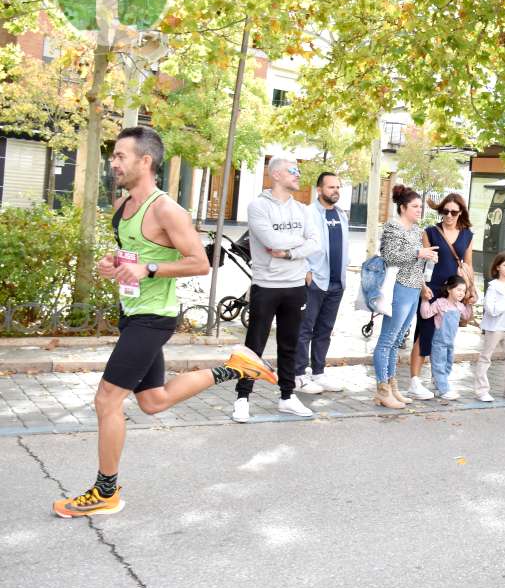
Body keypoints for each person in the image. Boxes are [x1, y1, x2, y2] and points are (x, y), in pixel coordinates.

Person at [54, 127, 277, 518]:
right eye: (114, 155)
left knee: (106, 400)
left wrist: (149, 269)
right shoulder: (124, 206)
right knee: (153, 402)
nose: (114, 161)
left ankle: (106, 492)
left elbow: (200, 262)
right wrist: (117, 264)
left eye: (122, 155)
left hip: (153, 318)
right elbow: (134, 255)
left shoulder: (165, 209)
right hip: (133, 313)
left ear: (146, 161)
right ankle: (235, 368)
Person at [233, 156, 320, 423]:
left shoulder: (304, 210)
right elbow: (270, 240)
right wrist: (300, 243)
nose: (298, 175)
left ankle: (286, 397)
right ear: (277, 175)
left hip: (295, 287)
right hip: (266, 285)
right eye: (293, 171)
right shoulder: (258, 206)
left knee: (289, 344)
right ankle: (242, 399)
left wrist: (289, 252)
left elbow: (315, 243)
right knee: (254, 345)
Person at [372, 184, 439, 407]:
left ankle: (391, 386)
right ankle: (382, 389)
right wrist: (419, 252)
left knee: (398, 340)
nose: (419, 210)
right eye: (415, 206)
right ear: (402, 207)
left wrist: (423, 281)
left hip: (412, 289)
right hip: (398, 287)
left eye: (421, 206)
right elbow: (389, 255)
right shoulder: (393, 227)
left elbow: (414, 262)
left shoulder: (414, 230)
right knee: (387, 340)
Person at [410, 194, 474, 400]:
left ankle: (440, 381)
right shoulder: (430, 232)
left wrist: (469, 291)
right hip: (432, 290)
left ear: (461, 212)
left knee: (446, 339)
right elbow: (422, 264)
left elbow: (468, 265)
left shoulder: (467, 235)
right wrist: (422, 288)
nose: (449, 215)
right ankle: (415, 381)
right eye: (445, 211)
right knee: (424, 334)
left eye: (454, 212)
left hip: (454, 293)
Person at [295, 172, 349, 395]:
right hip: (316, 281)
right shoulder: (307, 213)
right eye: (330, 187)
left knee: (325, 330)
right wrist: (307, 270)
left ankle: (318, 372)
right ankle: (298, 375)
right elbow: (299, 242)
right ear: (319, 190)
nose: (335, 191)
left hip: (337, 283)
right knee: (304, 329)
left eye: (338, 187)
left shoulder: (341, 214)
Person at [476, 252, 505, 402]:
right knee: (486, 357)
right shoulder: (493, 286)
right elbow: (491, 310)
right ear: (498, 267)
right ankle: (481, 391)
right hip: (494, 327)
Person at [419, 275, 470, 401]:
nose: (461, 293)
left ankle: (439, 385)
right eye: (458, 290)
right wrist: (425, 301)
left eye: (463, 291)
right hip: (439, 343)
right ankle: (444, 389)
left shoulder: (460, 306)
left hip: (450, 343)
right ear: (449, 289)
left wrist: (469, 303)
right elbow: (426, 315)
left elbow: (467, 316)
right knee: (439, 365)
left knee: (448, 365)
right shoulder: (440, 303)